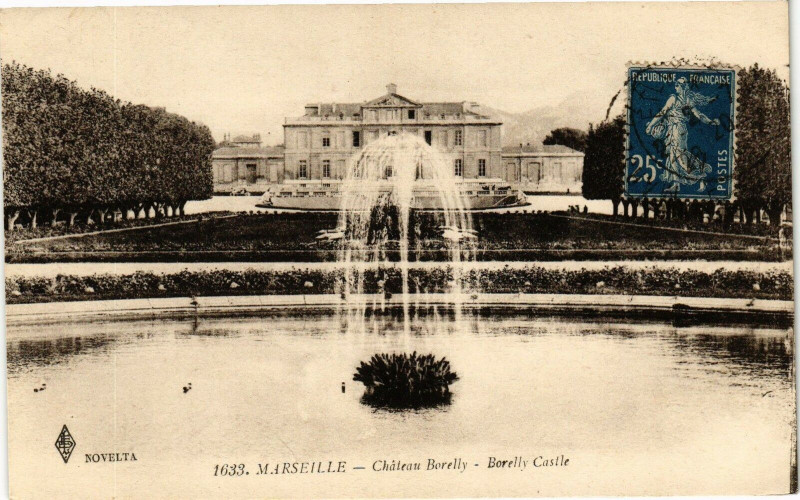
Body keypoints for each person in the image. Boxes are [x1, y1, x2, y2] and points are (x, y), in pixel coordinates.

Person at [645, 77, 720, 189]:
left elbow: (662, 113)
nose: (675, 87)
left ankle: (701, 176)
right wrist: (710, 122)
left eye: (677, 85)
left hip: (678, 130)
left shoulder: (674, 99)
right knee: (672, 155)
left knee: (679, 156)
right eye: (676, 85)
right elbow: (699, 115)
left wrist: (651, 125)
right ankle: (676, 184)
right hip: (676, 130)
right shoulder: (687, 100)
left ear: (683, 87)